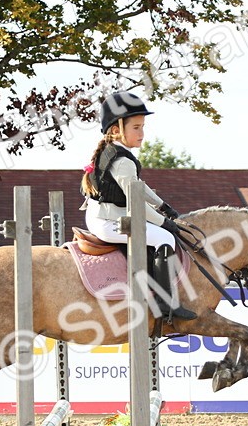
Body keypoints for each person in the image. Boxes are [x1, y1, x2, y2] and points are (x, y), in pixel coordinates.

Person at [80, 90, 195, 322]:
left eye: (143, 127)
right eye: (136, 128)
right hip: (109, 221)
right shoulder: (122, 160)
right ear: (115, 129)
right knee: (165, 239)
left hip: (108, 216)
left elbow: (139, 188)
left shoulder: (117, 153)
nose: (142, 133)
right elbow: (136, 203)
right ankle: (165, 304)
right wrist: (165, 223)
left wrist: (163, 205)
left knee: (162, 233)